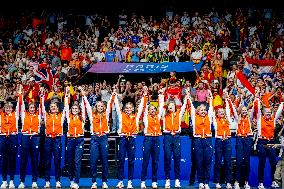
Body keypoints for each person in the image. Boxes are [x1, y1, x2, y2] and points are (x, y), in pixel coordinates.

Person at [84, 88, 116, 189]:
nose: (100, 107)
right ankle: (94, 181)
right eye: (98, 106)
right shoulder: (92, 115)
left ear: (104, 107)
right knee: (93, 160)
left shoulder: (106, 115)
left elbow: (110, 103)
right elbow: (88, 106)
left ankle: (104, 181)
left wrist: (113, 94)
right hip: (94, 138)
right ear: (96, 107)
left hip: (103, 138)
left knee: (104, 160)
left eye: (102, 106)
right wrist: (83, 95)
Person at [113, 86, 144, 189]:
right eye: (127, 108)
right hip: (122, 139)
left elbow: (140, 108)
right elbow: (117, 106)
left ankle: (130, 181)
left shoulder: (136, 117)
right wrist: (114, 95)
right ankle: (120, 181)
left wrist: (144, 95)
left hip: (132, 139)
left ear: (133, 109)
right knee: (121, 160)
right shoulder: (121, 115)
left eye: (130, 108)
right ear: (124, 109)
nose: (128, 110)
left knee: (131, 161)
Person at [161, 89, 189, 188]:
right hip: (167, 136)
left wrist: (187, 95)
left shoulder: (179, 114)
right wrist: (161, 94)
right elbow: (161, 105)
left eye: (173, 105)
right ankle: (167, 179)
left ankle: (177, 179)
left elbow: (185, 105)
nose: (171, 106)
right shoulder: (164, 115)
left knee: (177, 158)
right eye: (170, 105)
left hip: (176, 137)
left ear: (175, 107)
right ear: (167, 106)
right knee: (167, 158)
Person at [254, 95, 283, 189]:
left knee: (273, 162)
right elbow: (257, 108)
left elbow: (279, 111)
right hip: (261, 142)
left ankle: (274, 181)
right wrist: (257, 98)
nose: (269, 113)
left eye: (270, 112)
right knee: (262, 162)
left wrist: (282, 102)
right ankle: (260, 183)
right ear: (263, 112)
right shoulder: (259, 119)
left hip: (271, 142)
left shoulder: (273, 120)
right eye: (267, 112)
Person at [188, 90, 214, 189]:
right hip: (198, 141)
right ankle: (200, 182)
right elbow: (191, 106)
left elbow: (211, 108)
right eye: (201, 110)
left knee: (207, 162)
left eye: (204, 110)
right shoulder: (194, 118)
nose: (203, 111)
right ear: (197, 111)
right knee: (199, 162)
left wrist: (210, 98)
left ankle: (206, 182)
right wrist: (188, 96)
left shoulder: (209, 117)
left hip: (207, 141)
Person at [18, 91, 43, 189]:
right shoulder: (24, 115)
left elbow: (42, 107)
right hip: (25, 137)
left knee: (35, 160)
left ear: (35, 108)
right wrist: (20, 95)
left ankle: (34, 181)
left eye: (33, 107)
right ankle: (22, 181)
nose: (32, 109)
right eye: (30, 107)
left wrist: (41, 96)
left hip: (35, 138)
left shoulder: (38, 115)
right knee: (23, 160)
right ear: (28, 108)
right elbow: (21, 105)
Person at [41, 90, 66, 188]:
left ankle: (57, 181)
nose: (53, 108)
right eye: (51, 107)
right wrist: (42, 96)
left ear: (57, 108)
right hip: (48, 140)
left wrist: (66, 96)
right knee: (47, 161)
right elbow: (42, 107)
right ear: (49, 108)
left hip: (57, 140)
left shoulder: (61, 116)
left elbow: (66, 108)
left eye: (54, 107)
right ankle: (47, 181)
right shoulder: (46, 116)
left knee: (57, 161)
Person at [140, 87, 163, 189]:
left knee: (155, 161)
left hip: (157, 139)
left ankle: (154, 181)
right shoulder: (146, 116)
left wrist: (161, 95)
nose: (153, 110)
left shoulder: (158, 116)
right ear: (148, 111)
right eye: (151, 109)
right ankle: (143, 181)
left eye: (154, 109)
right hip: (148, 139)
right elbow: (143, 107)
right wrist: (145, 96)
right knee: (145, 161)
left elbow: (161, 106)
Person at [65, 86, 86, 189]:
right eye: (73, 108)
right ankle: (71, 179)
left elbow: (84, 105)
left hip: (79, 140)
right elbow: (66, 105)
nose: (74, 109)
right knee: (70, 161)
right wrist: (67, 94)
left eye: (76, 108)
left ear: (79, 109)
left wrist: (81, 92)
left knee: (77, 161)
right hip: (70, 140)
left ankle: (76, 182)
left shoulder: (82, 117)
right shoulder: (69, 117)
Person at [229, 96, 253, 189]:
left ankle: (246, 182)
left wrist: (256, 97)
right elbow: (234, 110)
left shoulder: (249, 118)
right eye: (242, 110)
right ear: (240, 111)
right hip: (239, 139)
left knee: (247, 161)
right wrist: (229, 99)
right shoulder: (237, 119)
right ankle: (236, 182)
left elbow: (255, 108)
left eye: (245, 110)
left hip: (247, 139)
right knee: (239, 161)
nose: (244, 111)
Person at [212, 94, 233, 189]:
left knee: (228, 162)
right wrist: (210, 99)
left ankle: (228, 182)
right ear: (217, 114)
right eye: (219, 112)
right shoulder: (215, 120)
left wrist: (227, 99)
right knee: (218, 162)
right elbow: (211, 111)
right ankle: (217, 182)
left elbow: (228, 110)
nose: (222, 113)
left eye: (222, 111)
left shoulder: (228, 120)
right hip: (219, 141)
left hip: (227, 141)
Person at [0, 101, 20, 189]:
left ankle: (11, 181)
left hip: (12, 138)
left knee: (12, 159)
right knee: (4, 160)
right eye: (6, 107)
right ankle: (4, 181)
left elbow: (20, 105)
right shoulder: (1, 115)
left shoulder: (15, 115)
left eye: (10, 107)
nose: (8, 109)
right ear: (4, 108)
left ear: (12, 109)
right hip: (3, 138)